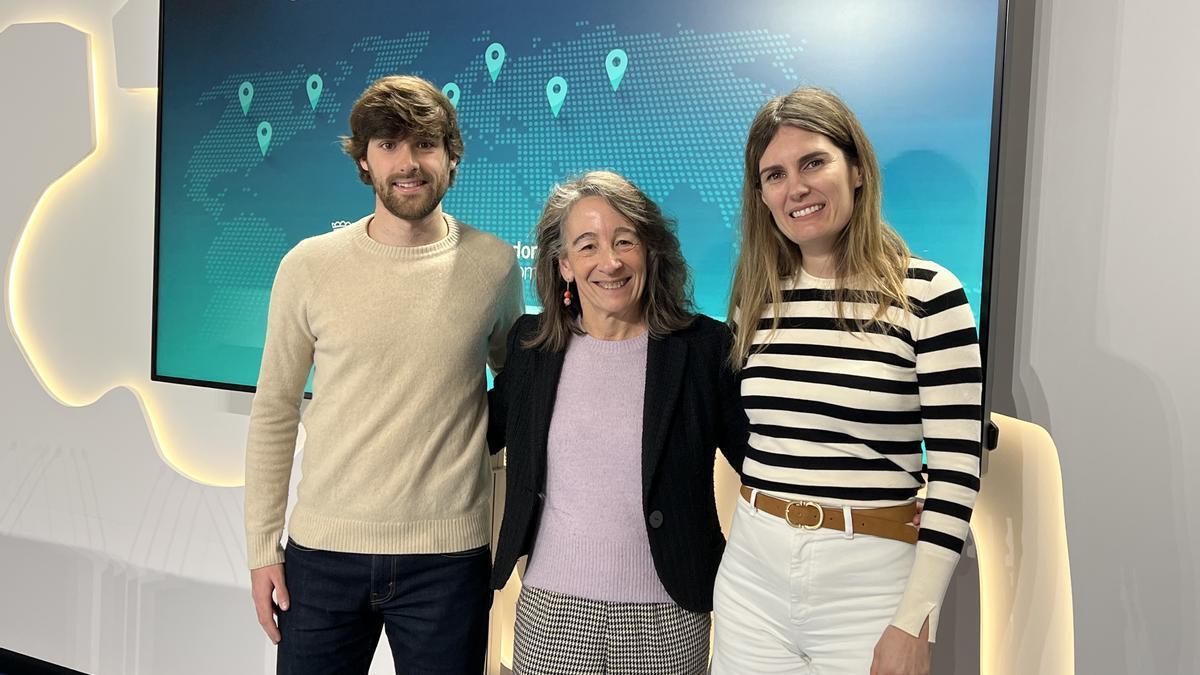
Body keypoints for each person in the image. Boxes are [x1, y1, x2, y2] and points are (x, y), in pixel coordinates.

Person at [243, 74, 524, 674]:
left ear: (451, 156)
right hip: (322, 554)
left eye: (425, 144)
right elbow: (273, 410)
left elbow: (518, 390)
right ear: (364, 161)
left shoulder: (495, 265)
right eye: (389, 145)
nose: (408, 163)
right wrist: (263, 547)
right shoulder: (308, 266)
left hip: (448, 560)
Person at [711, 88, 983, 675]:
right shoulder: (756, 299)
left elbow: (959, 466)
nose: (796, 188)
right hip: (751, 572)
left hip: (871, 583)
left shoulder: (929, 294)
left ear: (856, 169)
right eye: (774, 175)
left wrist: (914, 620)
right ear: (761, 196)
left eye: (814, 162)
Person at [487, 171, 747, 675]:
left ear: (650, 249)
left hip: (670, 617)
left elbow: (763, 461)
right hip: (551, 615)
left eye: (625, 240)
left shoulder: (704, 349)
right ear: (563, 265)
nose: (610, 262)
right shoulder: (531, 347)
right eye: (587, 246)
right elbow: (469, 432)